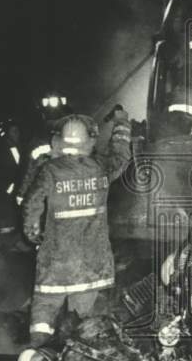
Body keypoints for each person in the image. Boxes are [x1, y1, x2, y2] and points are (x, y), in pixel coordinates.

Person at [21, 107, 131, 345]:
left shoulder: (50, 171)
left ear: (58, 141)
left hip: (55, 264)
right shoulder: (101, 168)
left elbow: (31, 204)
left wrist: (32, 233)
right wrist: (122, 124)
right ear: (89, 140)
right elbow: (121, 156)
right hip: (91, 265)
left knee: (43, 316)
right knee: (84, 325)